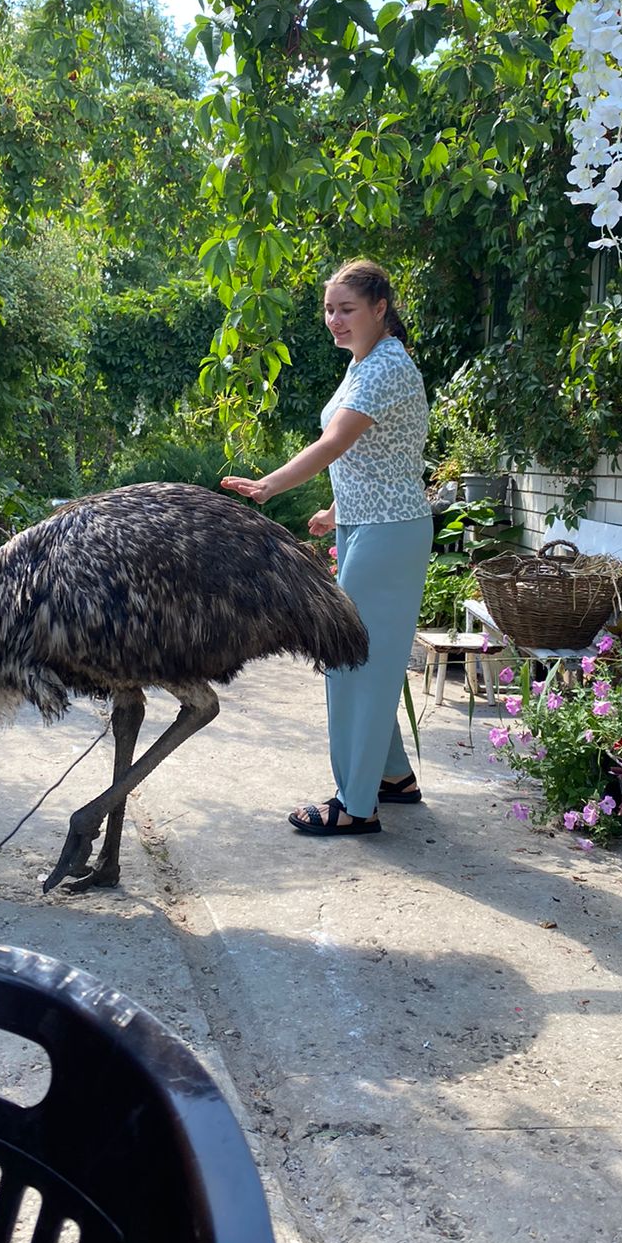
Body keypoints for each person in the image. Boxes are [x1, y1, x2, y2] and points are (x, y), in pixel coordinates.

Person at [221, 258, 433, 834]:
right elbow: (384, 454)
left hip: (389, 532)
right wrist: (336, 510)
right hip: (370, 524)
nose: (335, 320)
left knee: (350, 661)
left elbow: (336, 441)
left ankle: (354, 806)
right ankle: (391, 778)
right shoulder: (366, 362)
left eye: (346, 309)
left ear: (379, 309)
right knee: (365, 658)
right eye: (329, 310)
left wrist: (270, 484)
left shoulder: (386, 366)